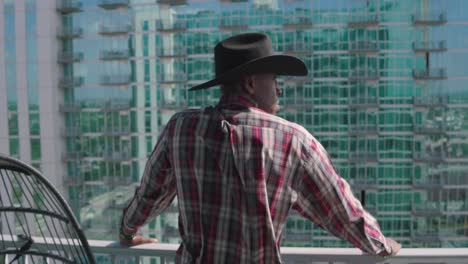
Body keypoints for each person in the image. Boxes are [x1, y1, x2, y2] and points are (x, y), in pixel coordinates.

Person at [119, 32, 401, 263]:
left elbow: (149, 195)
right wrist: (380, 243)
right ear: (251, 83)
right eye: (275, 81)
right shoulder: (293, 140)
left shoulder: (180, 128)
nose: (279, 90)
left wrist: (127, 231)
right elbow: (339, 211)